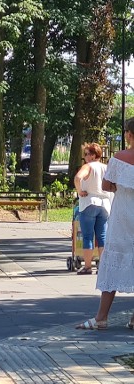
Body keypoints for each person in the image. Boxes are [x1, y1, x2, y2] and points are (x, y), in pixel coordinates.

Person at [77, 118, 134, 330]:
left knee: (113, 259)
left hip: (123, 215)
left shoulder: (119, 158)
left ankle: (101, 317)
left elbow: (107, 185)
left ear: (128, 134)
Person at [73, 143, 112, 275]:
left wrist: (80, 191)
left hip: (89, 202)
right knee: (102, 236)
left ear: (92, 155)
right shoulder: (106, 168)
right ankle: (103, 266)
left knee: (88, 236)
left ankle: (88, 266)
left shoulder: (88, 166)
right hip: (105, 204)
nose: (85, 157)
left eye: (86, 154)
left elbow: (78, 178)